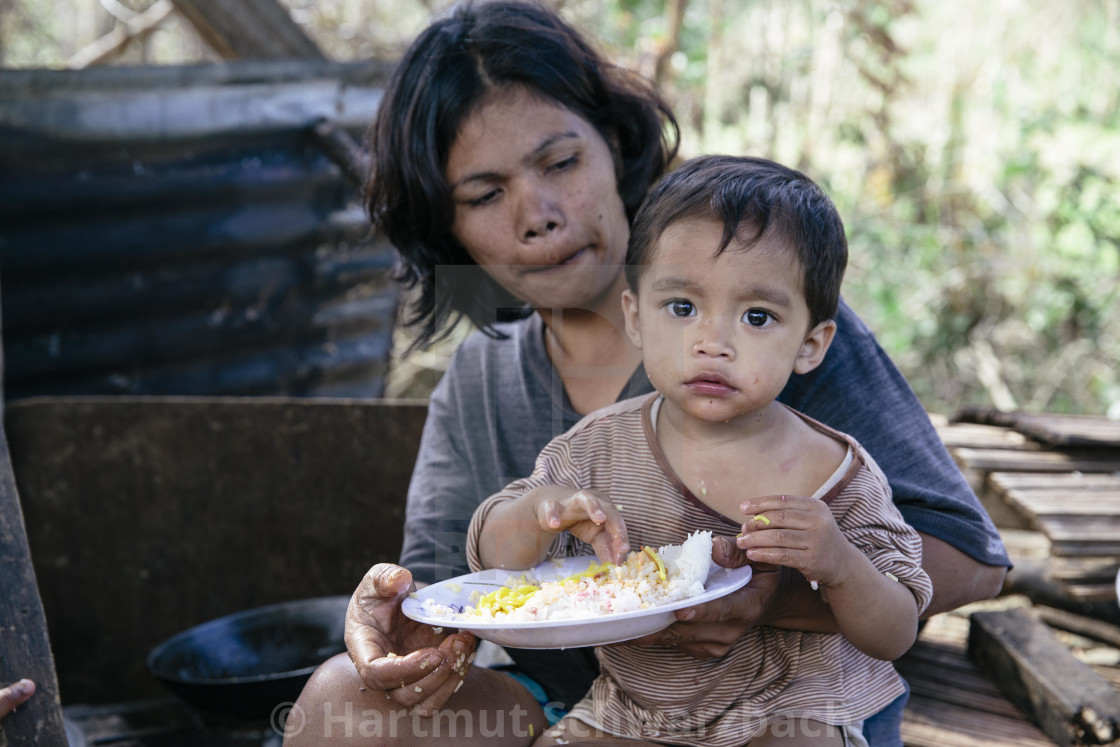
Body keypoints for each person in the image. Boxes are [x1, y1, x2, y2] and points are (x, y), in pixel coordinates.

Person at [288, 2, 1009, 745]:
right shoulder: (480, 380)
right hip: (592, 708)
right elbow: (448, 588)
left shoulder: (761, 333)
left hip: (787, 709)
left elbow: (972, 557)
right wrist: (395, 613)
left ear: (614, 146)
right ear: (449, 227)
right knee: (341, 702)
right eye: (485, 194)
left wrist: (775, 596)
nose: (537, 214)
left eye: (560, 162)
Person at [465, 154, 934, 746]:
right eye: (682, 308)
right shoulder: (596, 450)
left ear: (811, 343)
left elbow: (897, 629)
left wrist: (839, 564)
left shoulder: (834, 471)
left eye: (757, 317)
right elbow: (493, 560)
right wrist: (538, 514)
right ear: (636, 317)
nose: (713, 342)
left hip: (789, 717)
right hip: (631, 715)